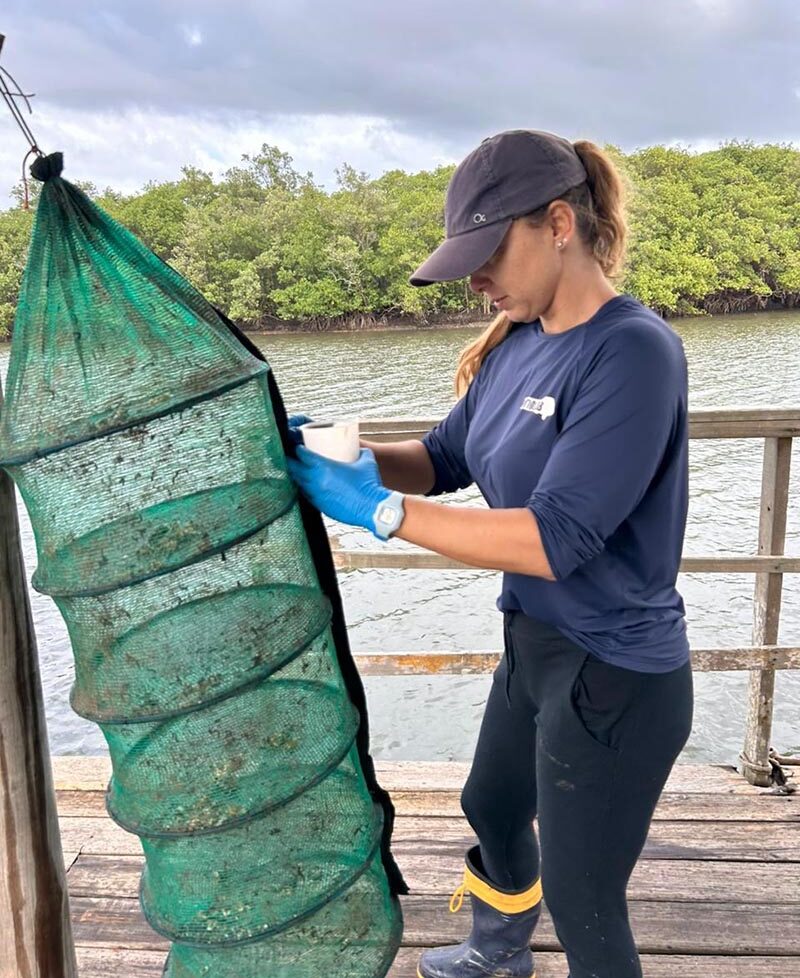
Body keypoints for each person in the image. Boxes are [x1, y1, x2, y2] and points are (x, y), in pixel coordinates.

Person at [286, 129, 694, 978]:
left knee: (587, 901)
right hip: (534, 644)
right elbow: (442, 459)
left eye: (486, 253)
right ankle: (500, 949)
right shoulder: (518, 341)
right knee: (490, 804)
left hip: (615, 670)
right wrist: (341, 463)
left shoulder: (632, 350)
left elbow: (555, 538)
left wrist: (377, 513)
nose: (474, 280)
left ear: (557, 223)